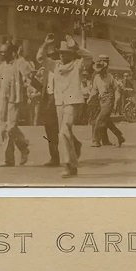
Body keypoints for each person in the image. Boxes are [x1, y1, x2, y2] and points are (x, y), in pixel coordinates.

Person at [40, 36, 85, 178]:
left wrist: (76, 48)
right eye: (60, 53)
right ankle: (73, 167)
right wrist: (45, 44)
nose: (61, 55)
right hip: (59, 103)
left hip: (72, 102)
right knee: (66, 134)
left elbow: (89, 57)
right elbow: (40, 58)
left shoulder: (77, 64)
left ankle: (66, 164)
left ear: (71, 54)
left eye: (64, 53)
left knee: (63, 132)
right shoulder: (56, 65)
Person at [0, 41, 31, 167]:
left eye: (5, 52)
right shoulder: (0, 66)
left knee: (11, 127)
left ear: (12, 52)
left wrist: (20, 57)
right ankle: (8, 160)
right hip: (1, 99)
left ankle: (23, 147)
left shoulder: (18, 63)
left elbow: (28, 73)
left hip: (14, 99)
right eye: (1, 52)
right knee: (4, 129)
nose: (2, 54)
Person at [36, 35, 62, 166]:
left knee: (59, 128)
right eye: (50, 55)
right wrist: (45, 44)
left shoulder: (60, 65)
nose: (51, 57)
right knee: (50, 128)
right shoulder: (47, 65)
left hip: (58, 99)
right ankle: (54, 157)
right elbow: (40, 57)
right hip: (47, 99)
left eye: (54, 55)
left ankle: (72, 146)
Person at [90, 55, 126, 148]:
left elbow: (116, 89)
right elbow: (94, 90)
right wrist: (90, 98)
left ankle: (95, 141)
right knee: (106, 121)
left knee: (99, 120)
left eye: (101, 70)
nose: (99, 71)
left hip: (109, 101)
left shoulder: (110, 77)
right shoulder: (96, 77)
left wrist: (116, 101)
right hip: (101, 101)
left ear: (105, 69)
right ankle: (119, 136)